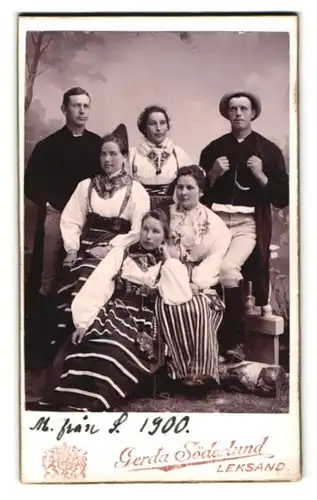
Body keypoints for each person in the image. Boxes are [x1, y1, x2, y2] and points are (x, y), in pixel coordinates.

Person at [38, 210, 192, 412]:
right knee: (93, 343)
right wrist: (83, 323)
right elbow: (97, 285)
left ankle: (96, 399)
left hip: (143, 319)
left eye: (155, 231)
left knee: (114, 350)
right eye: (145, 229)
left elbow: (179, 295)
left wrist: (168, 258)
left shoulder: (168, 264)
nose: (148, 236)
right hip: (114, 312)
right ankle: (71, 400)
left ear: (164, 236)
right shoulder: (121, 253)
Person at [199, 91, 289, 362]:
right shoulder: (213, 150)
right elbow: (196, 194)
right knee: (202, 276)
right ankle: (205, 343)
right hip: (214, 222)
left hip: (246, 225)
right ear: (227, 114)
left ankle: (235, 343)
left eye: (243, 108)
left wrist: (261, 175)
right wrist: (212, 176)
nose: (238, 113)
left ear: (253, 114)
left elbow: (283, 198)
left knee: (227, 270)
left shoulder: (269, 151)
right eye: (233, 108)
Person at [24, 87, 101, 369]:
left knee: (84, 275)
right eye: (75, 105)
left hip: (88, 219)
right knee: (49, 279)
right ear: (64, 109)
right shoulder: (48, 146)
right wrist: (47, 204)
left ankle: (79, 346)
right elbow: (30, 182)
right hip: (56, 215)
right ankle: (43, 347)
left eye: (85, 105)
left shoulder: (97, 145)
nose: (81, 110)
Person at [55, 124, 150, 349]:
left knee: (92, 278)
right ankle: (63, 346)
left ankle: (90, 341)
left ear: (125, 157)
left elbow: (138, 230)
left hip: (119, 247)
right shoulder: (86, 186)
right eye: (103, 154)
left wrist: (111, 248)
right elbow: (71, 219)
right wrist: (71, 249)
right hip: (86, 244)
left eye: (113, 154)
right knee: (72, 276)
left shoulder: (136, 190)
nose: (108, 159)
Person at [155, 166, 231, 388]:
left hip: (199, 279)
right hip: (167, 273)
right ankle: (175, 372)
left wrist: (197, 282)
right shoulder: (164, 214)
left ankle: (202, 374)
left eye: (190, 187)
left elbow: (216, 257)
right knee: (167, 306)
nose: (184, 192)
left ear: (201, 191)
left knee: (197, 308)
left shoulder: (213, 222)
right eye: (180, 187)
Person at [129, 105, 192, 212]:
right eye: (152, 124)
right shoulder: (133, 155)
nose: (158, 128)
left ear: (167, 126)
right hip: (141, 210)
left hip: (171, 210)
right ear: (144, 128)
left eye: (162, 123)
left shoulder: (178, 154)